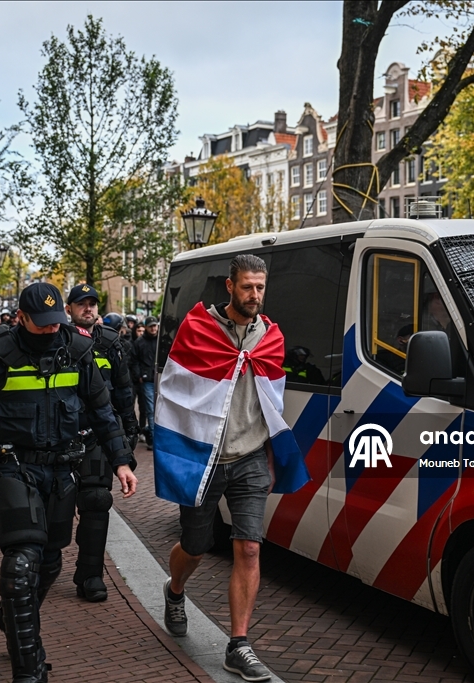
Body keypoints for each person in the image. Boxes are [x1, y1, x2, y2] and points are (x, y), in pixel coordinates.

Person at [0, 283, 138, 683]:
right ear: (21, 317)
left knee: (49, 561)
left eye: (55, 322)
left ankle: (12, 615)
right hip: (12, 468)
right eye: (41, 323)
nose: (50, 330)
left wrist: (121, 461)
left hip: (60, 471)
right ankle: (29, 671)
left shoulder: (78, 351)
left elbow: (102, 409)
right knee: (21, 564)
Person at [158, 254, 295, 683]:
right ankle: (175, 590)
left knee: (249, 547)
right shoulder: (199, 329)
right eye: (247, 287)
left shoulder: (269, 336)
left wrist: (271, 452)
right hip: (204, 458)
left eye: (261, 288)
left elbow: (272, 398)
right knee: (195, 546)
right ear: (230, 286)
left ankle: (238, 645)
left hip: (250, 456)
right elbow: (173, 391)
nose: (255, 295)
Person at [65, 285, 139, 602]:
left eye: (93, 304)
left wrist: (129, 430)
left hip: (98, 434)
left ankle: (91, 574)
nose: (88, 308)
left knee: (96, 500)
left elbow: (123, 389)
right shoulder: (55, 339)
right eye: (81, 304)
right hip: (60, 437)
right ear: (68, 309)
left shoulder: (110, 341)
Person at [133, 315, 159, 449]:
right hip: (147, 380)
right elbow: (134, 360)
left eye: (155, 326)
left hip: (160, 379)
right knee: (151, 410)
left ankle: (152, 435)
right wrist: (139, 375)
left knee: (160, 410)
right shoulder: (139, 342)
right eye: (151, 326)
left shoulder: (161, 340)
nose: (153, 328)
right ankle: (154, 440)